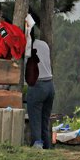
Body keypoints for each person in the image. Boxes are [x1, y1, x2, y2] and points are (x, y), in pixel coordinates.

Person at [25, 13, 55, 149]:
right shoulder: (44, 44)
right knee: (45, 119)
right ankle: (47, 145)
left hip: (37, 85)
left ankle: (37, 144)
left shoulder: (26, 47)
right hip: (50, 85)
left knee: (35, 118)